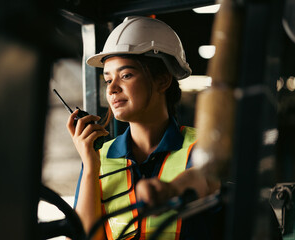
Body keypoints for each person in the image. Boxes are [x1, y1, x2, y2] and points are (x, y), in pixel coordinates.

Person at [66, 16, 220, 240]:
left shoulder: (202, 146)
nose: (112, 89)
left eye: (126, 75)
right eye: (108, 80)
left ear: (162, 81)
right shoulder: (99, 157)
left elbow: (202, 179)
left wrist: (170, 190)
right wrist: (90, 167)